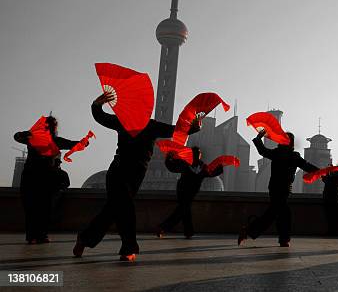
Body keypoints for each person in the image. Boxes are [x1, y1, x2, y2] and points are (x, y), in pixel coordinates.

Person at [73, 91, 199, 261]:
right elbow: (101, 117)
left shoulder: (147, 125)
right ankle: (128, 248)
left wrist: (194, 127)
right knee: (125, 207)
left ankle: (85, 238)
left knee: (112, 209)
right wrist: (97, 104)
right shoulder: (132, 123)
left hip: (133, 174)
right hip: (120, 170)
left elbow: (176, 130)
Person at [238, 130, 319, 247]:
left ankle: (255, 233)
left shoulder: (277, 153)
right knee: (280, 213)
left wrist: (258, 138)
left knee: (277, 213)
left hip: (275, 188)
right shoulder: (293, 156)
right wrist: (322, 172)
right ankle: (278, 238)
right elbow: (307, 166)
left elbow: (262, 151)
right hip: (283, 189)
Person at [14, 116, 80, 244]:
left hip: (32, 176)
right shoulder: (48, 139)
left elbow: (16, 136)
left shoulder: (32, 138)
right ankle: (40, 235)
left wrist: (25, 134)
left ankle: (33, 236)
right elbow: (72, 144)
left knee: (33, 208)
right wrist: (83, 142)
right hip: (44, 177)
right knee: (43, 208)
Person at [156, 147, 223, 239]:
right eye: (195, 153)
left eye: (199, 153)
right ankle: (164, 228)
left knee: (184, 210)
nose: (197, 155)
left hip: (192, 191)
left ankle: (187, 231)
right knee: (183, 209)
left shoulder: (202, 167)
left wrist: (219, 169)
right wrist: (168, 158)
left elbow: (210, 173)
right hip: (182, 190)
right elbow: (172, 167)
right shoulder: (184, 163)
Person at [322, 165, 338, 236]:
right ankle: (333, 231)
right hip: (335, 201)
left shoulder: (332, 180)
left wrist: (328, 172)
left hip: (331, 201)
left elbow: (326, 180)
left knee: (331, 218)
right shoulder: (335, 180)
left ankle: (332, 231)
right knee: (333, 218)